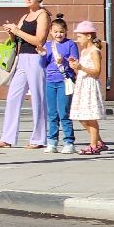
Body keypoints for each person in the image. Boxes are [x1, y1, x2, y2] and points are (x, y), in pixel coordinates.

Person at [0, 0, 49, 151]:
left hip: (36, 59)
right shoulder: (25, 16)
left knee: (38, 98)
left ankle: (39, 138)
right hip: (21, 58)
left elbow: (39, 40)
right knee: (13, 97)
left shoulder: (43, 15)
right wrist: (11, 32)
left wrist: (17, 30)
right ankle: (7, 138)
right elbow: (17, 40)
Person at [38, 15, 78, 156]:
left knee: (64, 113)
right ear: (50, 32)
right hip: (50, 81)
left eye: (61, 31)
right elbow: (43, 65)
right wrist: (42, 55)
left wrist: (65, 61)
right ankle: (52, 142)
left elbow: (75, 63)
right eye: (55, 32)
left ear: (66, 31)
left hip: (64, 81)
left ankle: (69, 142)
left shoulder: (71, 44)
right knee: (52, 113)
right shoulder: (48, 45)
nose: (58, 34)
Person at [68, 20, 106, 154]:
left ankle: (93, 145)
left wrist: (81, 67)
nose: (78, 40)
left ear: (88, 36)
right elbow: (81, 71)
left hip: (90, 86)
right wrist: (75, 68)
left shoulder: (94, 51)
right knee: (81, 116)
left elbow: (97, 71)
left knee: (90, 117)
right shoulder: (84, 51)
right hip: (82, 85)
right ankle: (99, 142)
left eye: (80, 36)